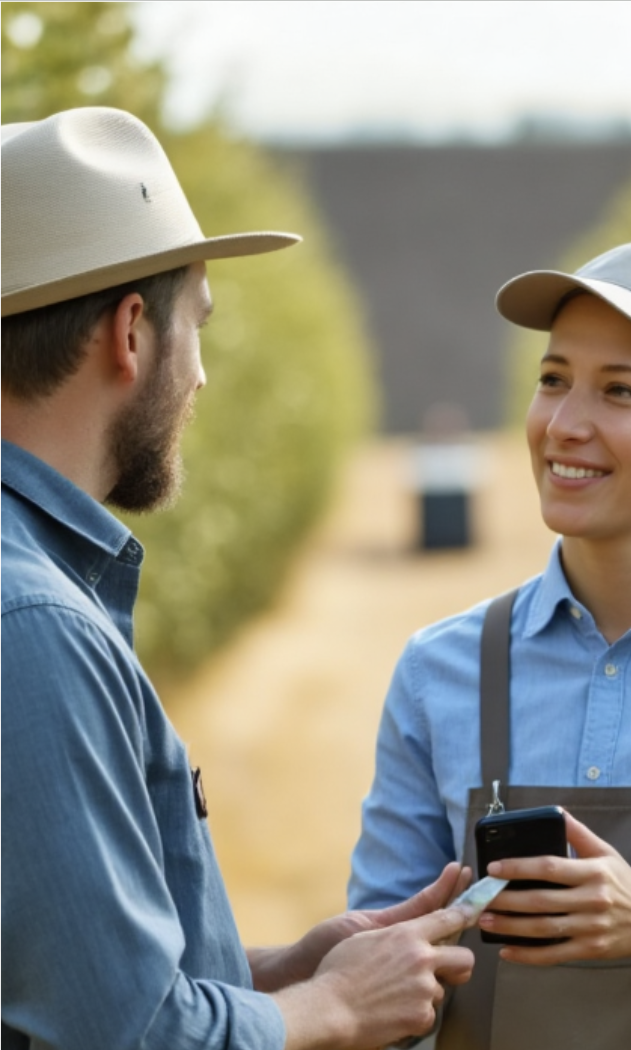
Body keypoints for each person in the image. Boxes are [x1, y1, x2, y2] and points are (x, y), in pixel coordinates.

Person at [1, 106, 477, 1050]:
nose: (205, 376)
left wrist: (286, 967)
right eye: (198, 327)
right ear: (132, 334)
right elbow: (127, 1037)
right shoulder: (33, 622)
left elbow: (56, 977)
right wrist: (334, 1008)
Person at [348, 237, 631, 1049]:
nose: (565, 425)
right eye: (553, 380)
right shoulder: (439, 672)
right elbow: (372, 982)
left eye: (621, 392)